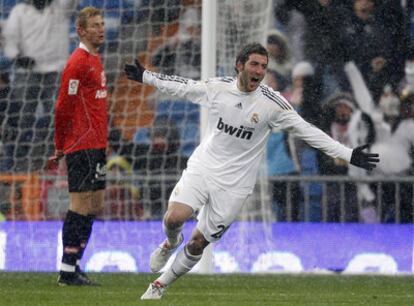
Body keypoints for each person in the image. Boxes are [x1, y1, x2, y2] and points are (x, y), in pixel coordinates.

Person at [124, 42, 379, 299]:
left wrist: (348, 154)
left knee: (199, 243)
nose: (259, 71)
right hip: (205, 167)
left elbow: (308, 131)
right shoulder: (219, 88)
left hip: (236, 185)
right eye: (254, 64)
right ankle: (170, 242)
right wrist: (146, 77)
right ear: (240, 65)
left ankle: (160, 285)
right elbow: (184, 87)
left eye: (264, 67)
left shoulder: (273, 104)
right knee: (173, 218)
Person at [51, 6, 107, 286]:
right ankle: (66, 270)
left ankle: (75, 264)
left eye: (102, 23)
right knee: (80, 204)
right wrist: (60, 144)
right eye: (95, 25)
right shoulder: (78, 62)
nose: (101, 28)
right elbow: (63, 107)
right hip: (81, 144)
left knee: (95, 204)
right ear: (81, 30)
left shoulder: (96, 60)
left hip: (97, 144)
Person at [1, 0, 78, 172]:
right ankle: (18, 165)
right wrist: (17, 56)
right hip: (28, 72)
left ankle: (51, 160)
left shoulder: (60, 7)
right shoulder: (19, 11)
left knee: (57, 118)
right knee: (22, 119)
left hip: (56, 70)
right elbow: (10, 40)